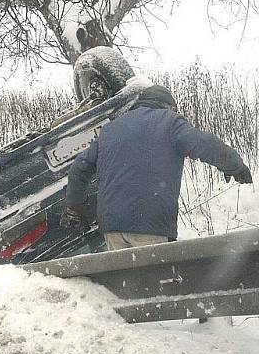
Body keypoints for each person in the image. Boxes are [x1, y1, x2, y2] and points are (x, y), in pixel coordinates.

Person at [62, 84, 253, 251]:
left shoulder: (111, 129)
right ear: (168, 106)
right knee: (156, 285)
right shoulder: (169, 122)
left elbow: (79, 168)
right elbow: (205, 144)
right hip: (149, 225)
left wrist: (75, 207)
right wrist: (236, 167)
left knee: (125, 286)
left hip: (112, 228)